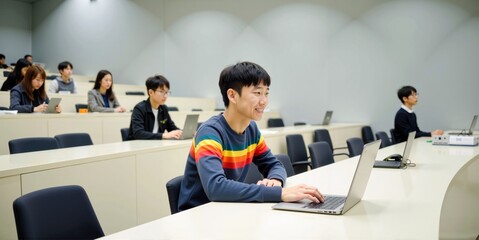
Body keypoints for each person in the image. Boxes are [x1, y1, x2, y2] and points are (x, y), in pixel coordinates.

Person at [178, 61, 324, 212]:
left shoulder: (251, 129)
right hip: (198, 215)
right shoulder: (210, 132)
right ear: (232, 95)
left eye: (266, 93)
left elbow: (274, 165)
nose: (264, 101)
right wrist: (280, 193)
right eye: (257, 93)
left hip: (228, 209)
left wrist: (275, 180)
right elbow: (216, 187)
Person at [127, 75, 183, 140]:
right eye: (161, 92)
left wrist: (184, 132)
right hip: (137, 146)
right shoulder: (139, 108)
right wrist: (163, 135)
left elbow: (172, 128)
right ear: (150, 92)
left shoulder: (163, 109)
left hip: (155, 145)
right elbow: (138, 133)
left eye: (167, 92)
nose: (165, 96)